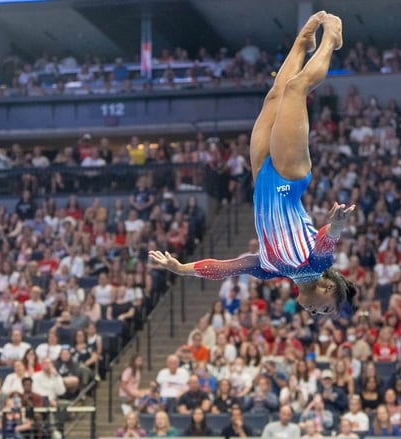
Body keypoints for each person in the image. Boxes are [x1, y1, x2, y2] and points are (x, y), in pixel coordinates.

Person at [149, 12, 358, 317]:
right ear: (329, 289)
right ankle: (331, 41)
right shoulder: (318, 264)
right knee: (297, 90)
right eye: (326, 310)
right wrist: (338, 223)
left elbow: (226, 268)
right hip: (289, 176)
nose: (317, 313)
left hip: (262, 176)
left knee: (275, 97)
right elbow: (328, 238)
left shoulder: (269, 268)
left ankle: (301, 44)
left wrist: (183, 269)